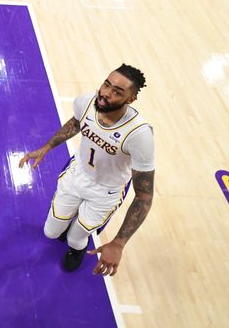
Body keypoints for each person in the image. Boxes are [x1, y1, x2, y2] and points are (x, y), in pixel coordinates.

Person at [19, 65, 154, 274]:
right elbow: (75, 123)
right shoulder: (87, 102)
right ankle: (67, 227)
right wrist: (46, 148)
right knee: (51, 232)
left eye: (117, 92)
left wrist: (118, 243)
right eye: (106, 84)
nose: (106, 93)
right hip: (77, 175)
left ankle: (77, 251)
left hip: (106, 191)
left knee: (76, 237)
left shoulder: (140, 135)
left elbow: (144, 197)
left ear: (131, 99)